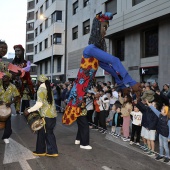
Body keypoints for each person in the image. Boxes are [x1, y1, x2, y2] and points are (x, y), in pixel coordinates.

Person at [62, 12, 140, 149]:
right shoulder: (90, 49)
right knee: (82, 117)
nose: (105, 31)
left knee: (81, 115)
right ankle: (83, 143)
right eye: (104, 27)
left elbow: (110, 68)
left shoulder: (95, 53)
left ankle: (78, 139)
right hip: (80, 90)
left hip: (82, 89)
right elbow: (114, 60)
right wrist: (130, 82)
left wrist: (122, 84)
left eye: (106, 28)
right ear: (97, 29)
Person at [24, 74, 58, 157]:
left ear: (39, 82)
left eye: (37, 81)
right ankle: (40, 150)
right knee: (42, 132)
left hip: (46, 115)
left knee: (47, 133)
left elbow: (39, 104)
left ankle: (52, 151)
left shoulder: (41, 89)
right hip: (52, 115)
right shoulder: (48, 88)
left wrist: (29, 110)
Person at [13, 44, 34, 115]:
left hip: (25, 84)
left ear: (22, 51)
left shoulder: (27, 62)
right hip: (16, 84)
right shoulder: (13, 62)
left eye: (18, 51)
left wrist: (20, 70)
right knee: (16, 98)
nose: (17, 53)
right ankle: (17, 111)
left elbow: (28, 68)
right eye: (15, 51)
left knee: (26, 99)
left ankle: (26, 111)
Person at [0, 72, 20, 143]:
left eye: (5, 77)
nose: (3, 78)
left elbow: (16, 96)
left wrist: (10, 103)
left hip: (7, 107)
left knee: (8, 122)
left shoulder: (13, 87)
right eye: (3, 77)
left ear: (9, 78)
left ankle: (5, 137)